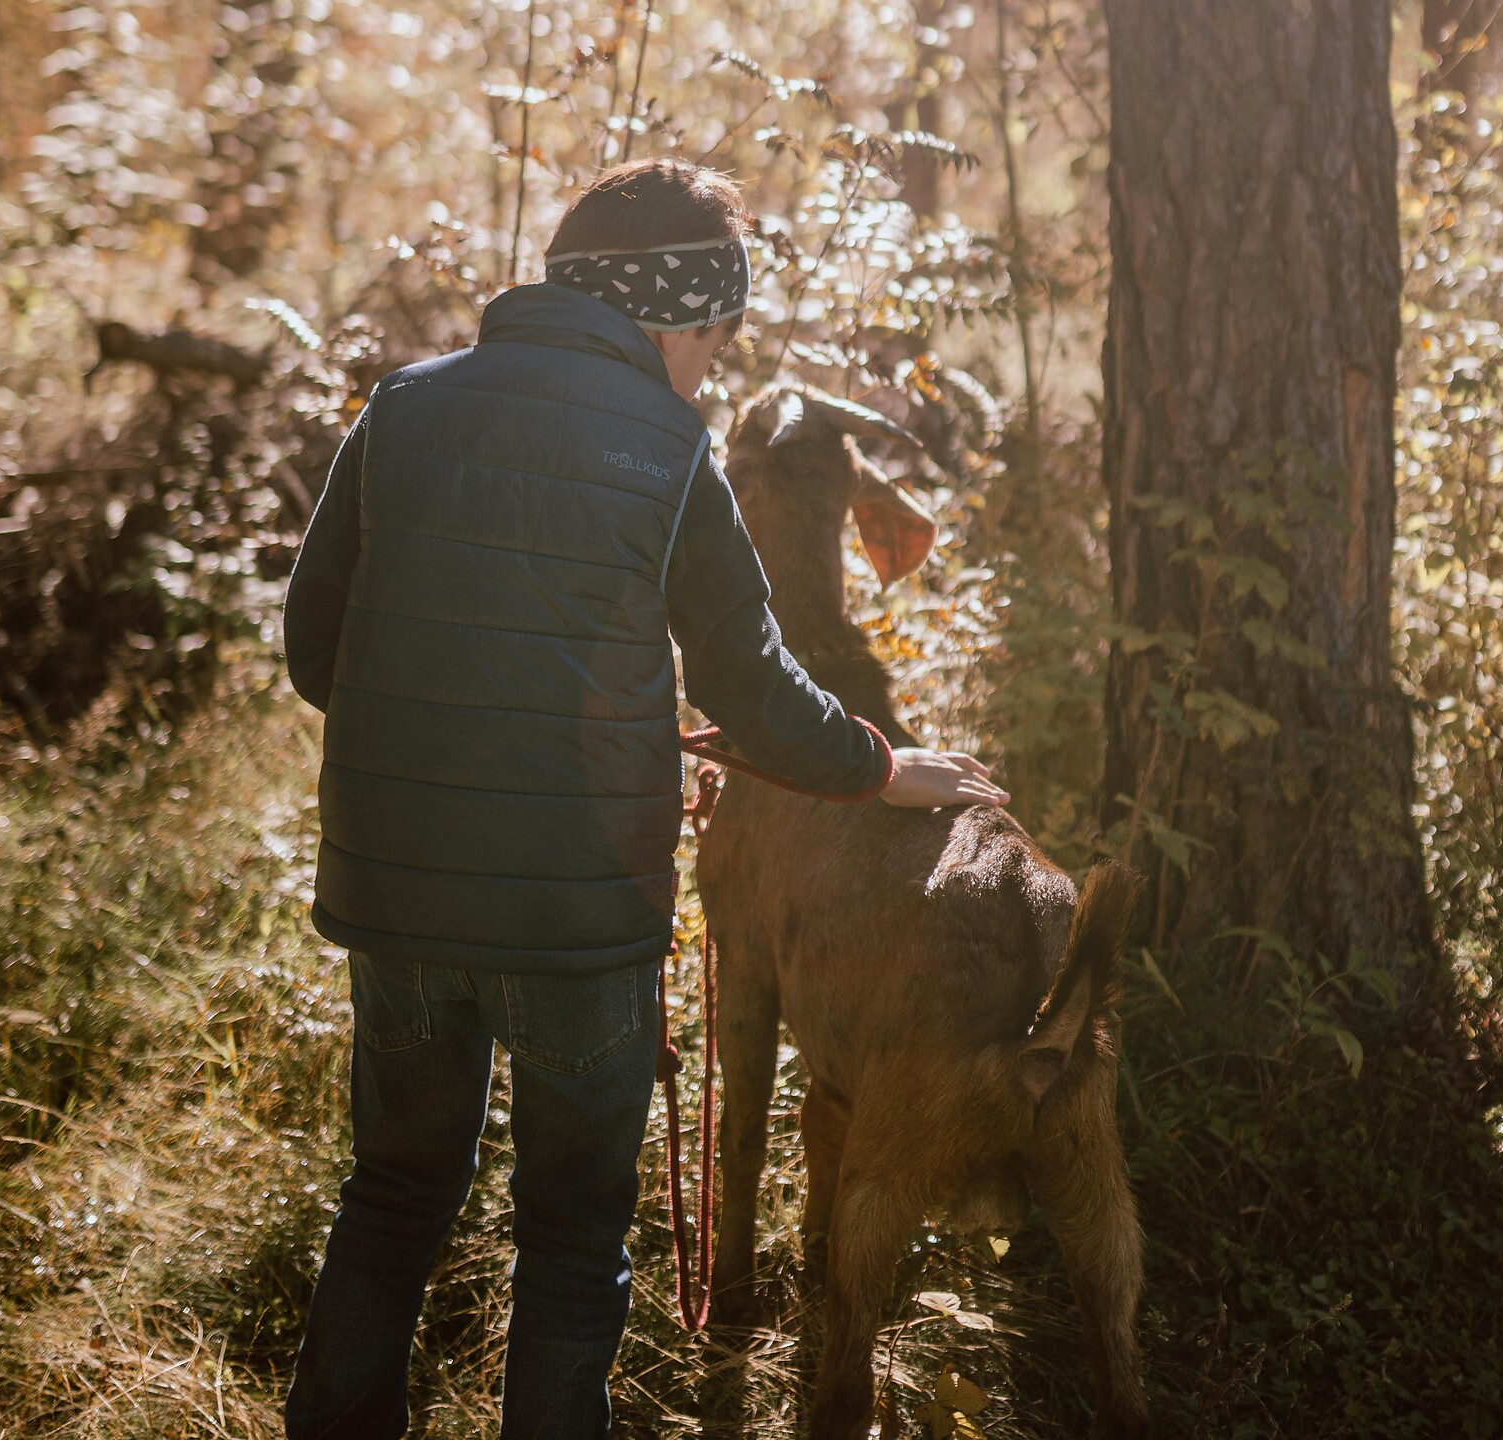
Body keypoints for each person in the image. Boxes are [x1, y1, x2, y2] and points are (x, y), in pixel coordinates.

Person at [279, 158, 1008, 1440]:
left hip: (397, 904)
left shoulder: (402, 407)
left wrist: (456, 749)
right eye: (715, 338)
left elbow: (311, 646)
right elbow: (753, 679)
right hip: (581, 924)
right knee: (570, 1234)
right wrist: (885, 768)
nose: (714, 371)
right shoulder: (670, 451)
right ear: (669, 318)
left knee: (392, 1197)